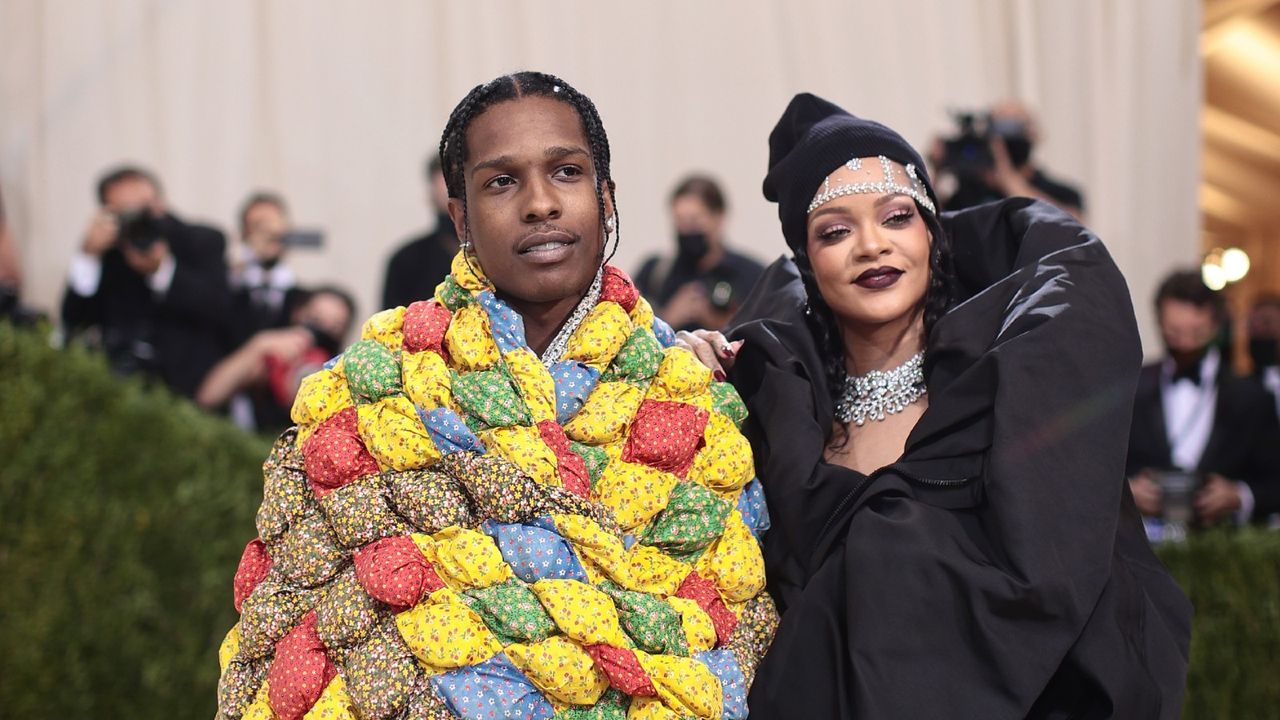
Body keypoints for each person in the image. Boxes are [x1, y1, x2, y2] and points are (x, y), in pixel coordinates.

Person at [215, 72, 775, 720]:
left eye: (565, 172)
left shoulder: (688, 400)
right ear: (461, 216)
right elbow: (294, 633)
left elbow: (726, 640)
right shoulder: (366, 396)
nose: (539, 203)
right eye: (502, 181)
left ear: (606, 197)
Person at [678, 93, 1190, 718]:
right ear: (808, 264)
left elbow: (1064, 596)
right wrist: (691, 386)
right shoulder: (779, 413)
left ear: (931, 234)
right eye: (836, 231)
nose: (872, 246)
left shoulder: (1009, 391)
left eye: (896, 218)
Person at [1127, 271, 1280, 532]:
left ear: (1216, 326)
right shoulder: (1131, 387)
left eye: (1197, 334)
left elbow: (1274, 482)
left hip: (1223, 557)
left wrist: (1238, 496)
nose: (1186, 344)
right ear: (1159, 323)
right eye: (1174, 333)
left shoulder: (1252, 397)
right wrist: (1126, 492)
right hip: (1143, 552)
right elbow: (1099, 466)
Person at [62, 165, 231, 398]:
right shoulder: (110, 256)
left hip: (190, 390)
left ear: (159, 204)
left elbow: (219, 308)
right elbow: (74, 321)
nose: (138, 220)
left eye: (144, 209)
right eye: (126, 214)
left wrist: (163, 270)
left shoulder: (202, 240)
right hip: (121, 389)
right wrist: (87, 256)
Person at [196, 285, 356, 434]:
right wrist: (259, 346)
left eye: (334, 328)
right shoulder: (269, 353)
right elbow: (208, 397)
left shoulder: (340, 384)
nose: (321, 332)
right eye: (315, 320)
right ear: (298, 313)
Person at [635, 175, 763, 332]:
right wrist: (668, 318)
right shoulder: (656, 273)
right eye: (680, 221)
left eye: (694, 220)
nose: (687, 229)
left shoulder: (752, 275)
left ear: (719, 216)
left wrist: (722, 322)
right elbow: (630, 335)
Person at [932, 100, 1086, 220]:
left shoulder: (1063, 193)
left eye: (1011, 127)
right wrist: (935, 173)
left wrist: (1007, 178)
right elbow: (932, 225)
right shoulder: (967, 193)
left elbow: (1071, 227)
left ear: (1033, 134)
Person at [381, 157, 459, 310]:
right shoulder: (407, 259)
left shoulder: (496, 252)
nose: (453, 191)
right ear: (431, 194)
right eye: (445, 183)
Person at [230, 192, 299, 343]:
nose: (270, 233)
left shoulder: (298, 296)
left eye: (276, 225)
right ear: (244, 233)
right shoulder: (230, 285)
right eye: (260, 226)